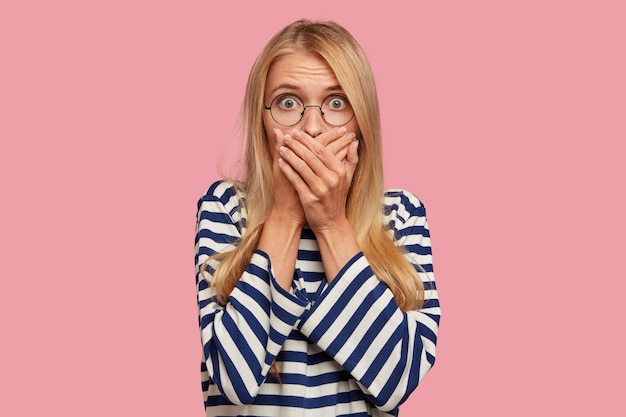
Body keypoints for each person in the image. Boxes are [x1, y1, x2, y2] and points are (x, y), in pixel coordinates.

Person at [194, 19, 440, 417]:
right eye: (288, 102)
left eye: (336, 103)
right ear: (263, 118)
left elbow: (395, 382)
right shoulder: (224, 208)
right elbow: (233, 380)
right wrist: (287, 214)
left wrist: (330, 224)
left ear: (361, 120)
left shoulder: (401, 215)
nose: (311, 127)